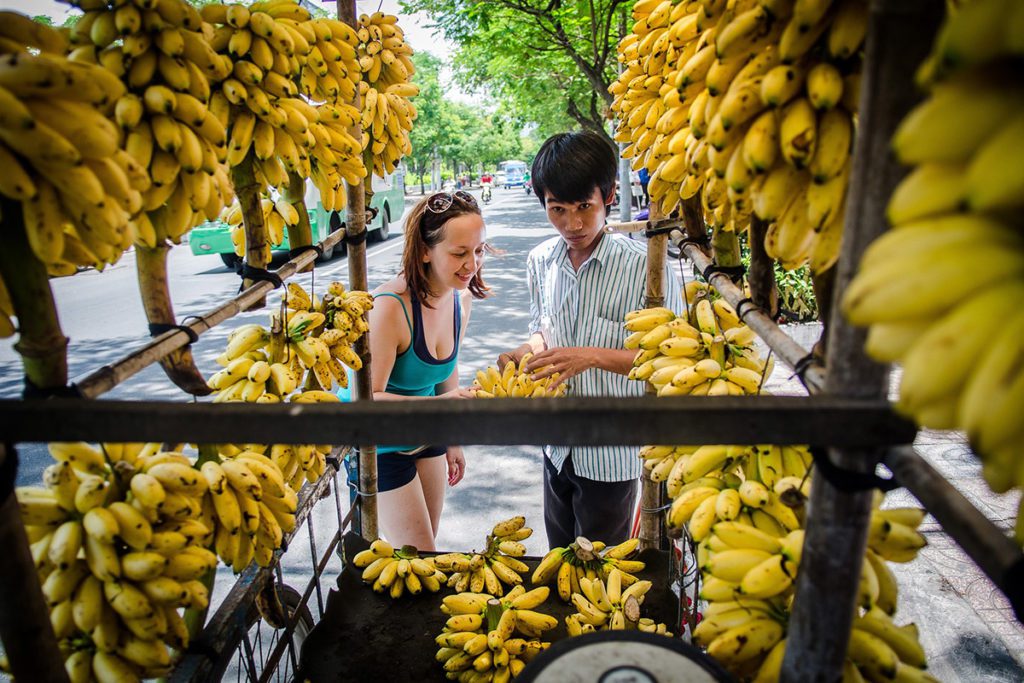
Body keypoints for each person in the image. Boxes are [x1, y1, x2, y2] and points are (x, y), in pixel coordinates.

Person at [498, 131, 683, 548]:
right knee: (558, 564)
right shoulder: (541, 260)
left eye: (585, 206)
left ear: (610, 196)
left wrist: (593, 357)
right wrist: (525, 352)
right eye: (557, 209)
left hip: (610, 455)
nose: (573, 224)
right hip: (555, 446)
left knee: (602, 579)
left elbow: (666, 362)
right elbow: (545, 330)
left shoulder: (645, 268)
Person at [363, 190, 489, 550]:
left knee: (425, 554)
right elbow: (367, 398)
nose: (473, 264)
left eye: (479, 250)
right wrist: (444, 403)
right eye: (459, 253)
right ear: (424, 251)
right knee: (418, 555)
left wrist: (453, 438)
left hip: (427, 431)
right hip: (382, 446)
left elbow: (444, 374)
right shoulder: (390, 307)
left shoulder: (459, 298)